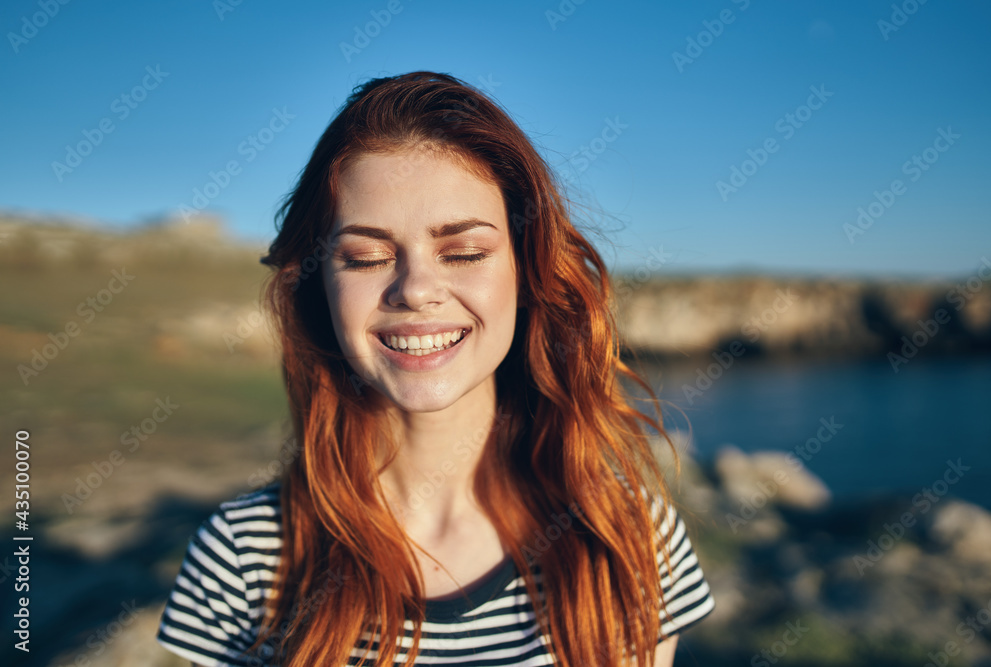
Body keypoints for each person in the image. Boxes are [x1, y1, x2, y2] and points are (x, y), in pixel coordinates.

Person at [156, 71, 714, 666]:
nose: (416, 290)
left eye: (465, 252)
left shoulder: (627, 536)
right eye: (365, 257)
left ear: (527, 273)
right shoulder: (246, 558)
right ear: (322, 286)